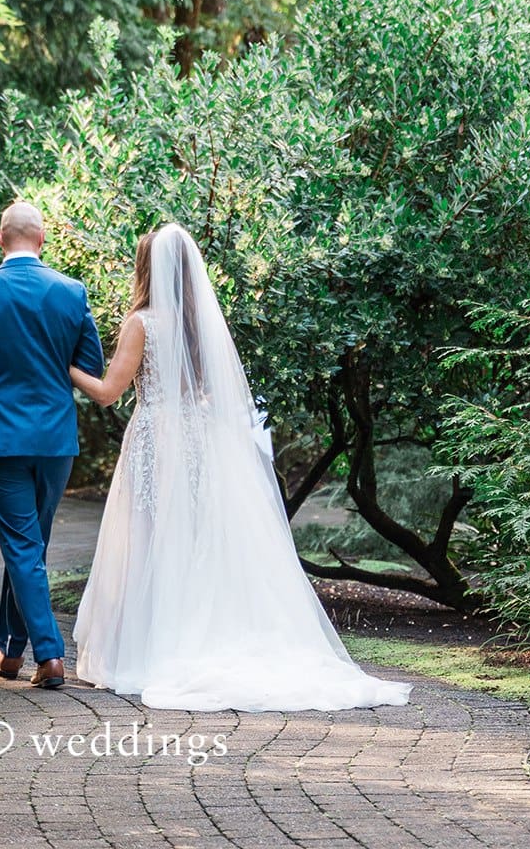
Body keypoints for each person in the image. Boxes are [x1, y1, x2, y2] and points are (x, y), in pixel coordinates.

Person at [69, 223, 412, 713]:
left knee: (147, 543)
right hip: (198, 444)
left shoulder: (142, 322)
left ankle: (145, 653)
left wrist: (65, 366)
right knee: (189, 546)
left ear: (147, 267)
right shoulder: (199, 325)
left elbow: (107, 393)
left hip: (155, 445)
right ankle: (187, 640)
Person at [0, 200, 103, 689]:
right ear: (43, 239)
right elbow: (91, 364)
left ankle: (50, 657)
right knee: (30, 546)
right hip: (56, 439)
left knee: (23, 547)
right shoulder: (72, 292)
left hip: (2, 436)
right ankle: (10, 652)